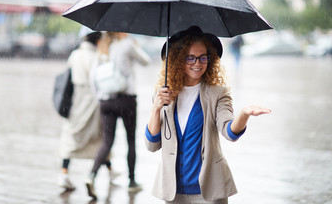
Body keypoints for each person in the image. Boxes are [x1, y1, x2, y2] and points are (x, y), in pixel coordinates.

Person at [145, 26, 271, 204]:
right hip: (173, 192)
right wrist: (156, 108)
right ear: (179, 60)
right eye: (190, 58)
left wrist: (244, 114)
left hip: (209, 191)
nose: (198, 63)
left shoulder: (218, 93)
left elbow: (229, 131)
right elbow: (152, 145)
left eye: (203, 57)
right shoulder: (164, 94)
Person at [86, 32, 151, 199]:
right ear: (121, 30)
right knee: (130, 140)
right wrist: (134, 45)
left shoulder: (103, 48)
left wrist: (101, 98)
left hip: (106, 102)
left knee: (107, 141)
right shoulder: (127, 45)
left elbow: (93, 78)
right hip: (126, 100)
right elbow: (146, 61)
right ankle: (131, 182)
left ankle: (91, 176)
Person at [58, 28, 118, 192]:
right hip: (94, 102)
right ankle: (110, 171)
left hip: (76, 101)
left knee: (71, 137)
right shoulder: (99, 57)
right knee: (101, 139)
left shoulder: (74, 55)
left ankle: (64, 173)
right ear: (97, 40)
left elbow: (68, 79)